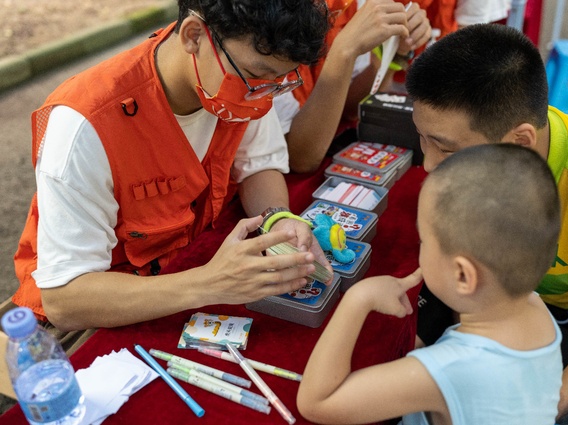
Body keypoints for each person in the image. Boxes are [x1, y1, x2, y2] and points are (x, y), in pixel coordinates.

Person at [9, 0, 334, 346]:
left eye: (279, 81)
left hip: (188, 270)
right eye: (256, 77)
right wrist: (210, 283)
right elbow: (65, 300)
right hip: (106, 311)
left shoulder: (239, 82)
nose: (263, 97)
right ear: (193, 36)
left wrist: (276, 219)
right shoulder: (85, 125)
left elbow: (259, 164)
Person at [405, 23, 568, 424]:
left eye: (444, 148)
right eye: (422, 139)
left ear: (521, 142)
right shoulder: (485, 155)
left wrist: (537, 410)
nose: (428, 165)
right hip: (513, 299)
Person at [297, 143, 563, 425]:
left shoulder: (448, 370)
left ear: (463, 276)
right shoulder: (535, 307)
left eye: (423, 240)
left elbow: (317, 403)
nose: (419, 248)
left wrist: (358, 299)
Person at [275, 0, 430, 173]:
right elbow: (302, 159)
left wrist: (395, 50)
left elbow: (353, 108)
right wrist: (344, 52)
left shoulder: (352, 4)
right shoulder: (272, 13)